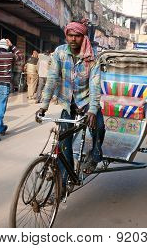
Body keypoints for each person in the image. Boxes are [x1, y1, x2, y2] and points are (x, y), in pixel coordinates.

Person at [36, 19, 105, 191]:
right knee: (64, 142)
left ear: (83, 37)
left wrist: (93, 110)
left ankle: (95, 156)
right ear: (66, 36)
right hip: (68, 102)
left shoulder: (92, 56)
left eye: (77, 36)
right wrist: (43, 106)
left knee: (99, 127)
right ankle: (64, 179)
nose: (73, 39)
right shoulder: (59, 53)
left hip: (87, 100)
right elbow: (52, 79)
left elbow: (95, 85)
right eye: (70, 35)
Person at [0, 39, 22, 142]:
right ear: (7, 47)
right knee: (0, 111)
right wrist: (12, 46)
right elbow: (20, 56)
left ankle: (1, 127)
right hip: (3, 85)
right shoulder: (9, 55)